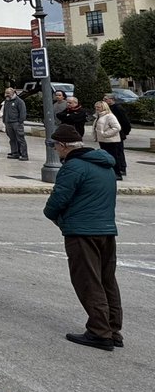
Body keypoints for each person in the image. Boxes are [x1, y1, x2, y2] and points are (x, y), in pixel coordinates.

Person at [43, 124, 122, 351]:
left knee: (88, 281)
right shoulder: (104, 165)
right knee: (107, 280)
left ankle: (99, 331)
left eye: (56, 146)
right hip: (106, 230)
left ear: (64, 146)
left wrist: (52, 215)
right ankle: (113, 328)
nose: (56, 150)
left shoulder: (73, 167)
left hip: (82, 231)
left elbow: (59, 198)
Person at [91, 101, 125, 180]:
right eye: (96, 107)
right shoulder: (98, 116)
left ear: (104, 107)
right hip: (103, 140)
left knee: (113, 157)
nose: (97, 109)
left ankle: (117, 173)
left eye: (98, 107)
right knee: (105, 157)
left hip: (111, 140)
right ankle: (109, 172)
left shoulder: (109, 116)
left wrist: (105, 134)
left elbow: (117, 127)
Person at [104, 94, 130, 178]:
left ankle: (122, 168)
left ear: (111, 99)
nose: (104, 101)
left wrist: (125, 132)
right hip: (111, 133)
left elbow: (125, 122)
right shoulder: (108, 109)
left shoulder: (118, 108)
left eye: (105, 99)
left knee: (118, 151)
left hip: (118, 132)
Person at [2, 87, 28, 161]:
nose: (6, 95)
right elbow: (5, 111)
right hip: (8, 123)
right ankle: (15, 152)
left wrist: (20, 121)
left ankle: (24, 154)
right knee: (12, 139)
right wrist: (4, 120)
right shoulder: (7, 101)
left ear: (13, 93)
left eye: (8, 93)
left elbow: (23, 112)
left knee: (20, 139)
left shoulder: (19, 101)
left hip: (16, 123)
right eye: (6, 93)